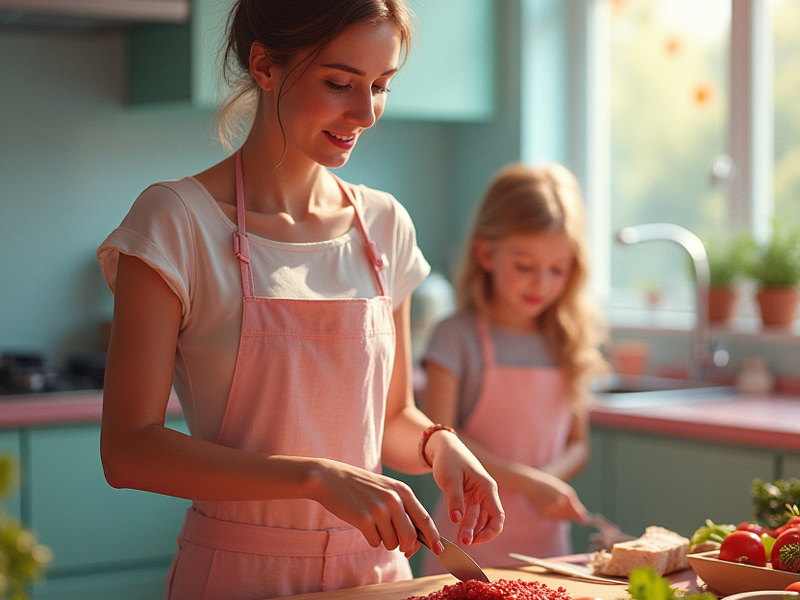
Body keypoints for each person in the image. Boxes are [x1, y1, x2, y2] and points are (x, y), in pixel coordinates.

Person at [96, 1, 504, 598]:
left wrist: (438, 444)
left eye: (381, 86)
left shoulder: (384, 225)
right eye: (339, 83)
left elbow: (388, 420)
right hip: (236, 574)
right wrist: (314, 478)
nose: (365, 113)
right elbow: (127, 450)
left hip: (375, 574)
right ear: (264, 66)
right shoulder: (174, 222)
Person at [419, 162, 609, 571]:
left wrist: (549, 483)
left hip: (548, 547)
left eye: (557, 270)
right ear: (486, 253)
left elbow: (579, 443)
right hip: (466, 544)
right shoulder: (454, 337)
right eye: (525, 267)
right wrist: (531, 483)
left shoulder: (568, 340)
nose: (541, 284)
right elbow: (441, 438)